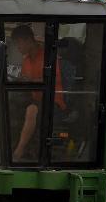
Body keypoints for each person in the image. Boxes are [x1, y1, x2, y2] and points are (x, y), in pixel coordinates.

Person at [9, 24, 66, 161]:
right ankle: (7, 146)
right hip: (34, 99)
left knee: (31, 110)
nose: (18, 47)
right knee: (8, 105)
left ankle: (19, 151)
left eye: (19, 43)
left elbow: (51, 79)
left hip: (52, 101)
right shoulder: (26, 60)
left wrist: (31, 80)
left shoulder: (49, 57)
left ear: (28, 40)